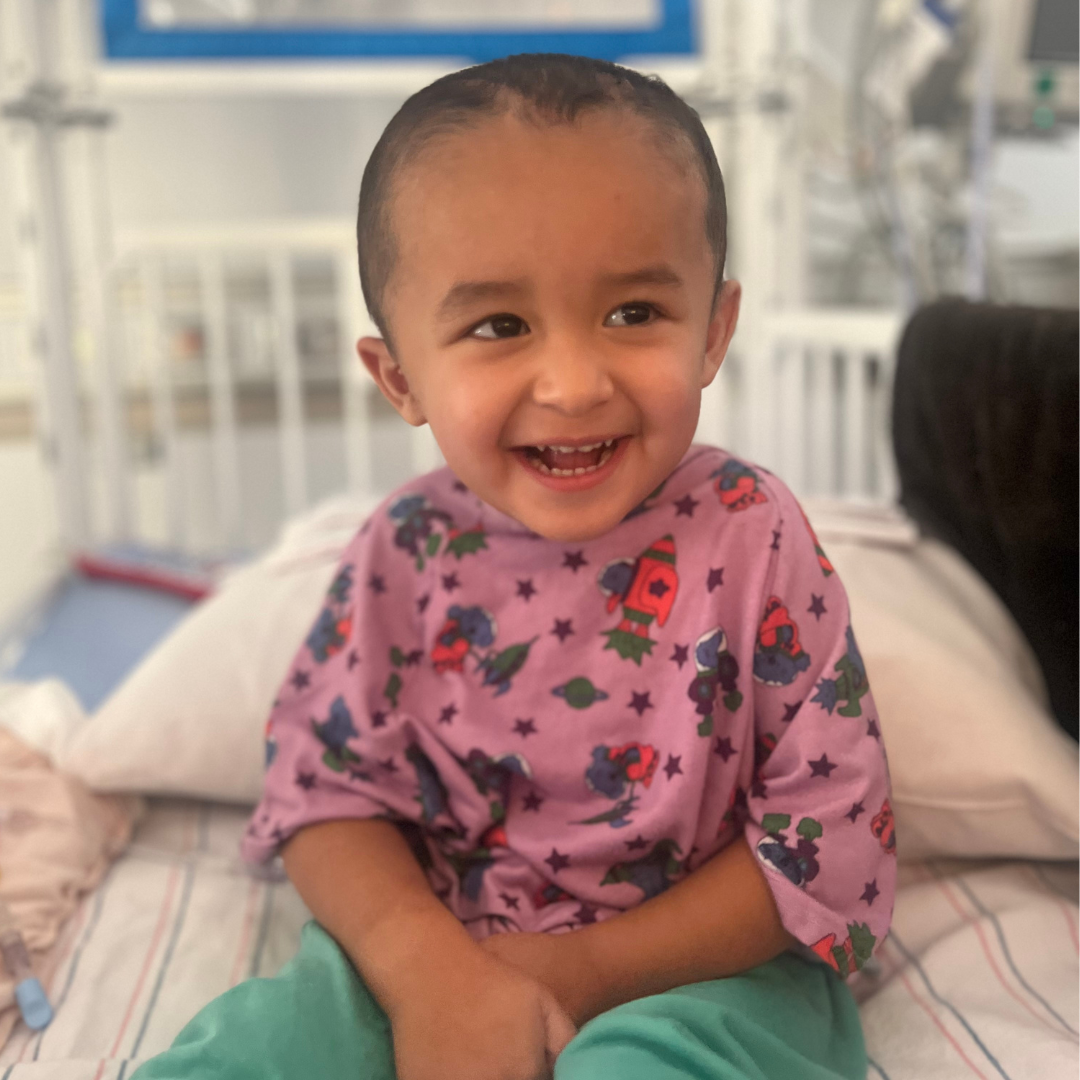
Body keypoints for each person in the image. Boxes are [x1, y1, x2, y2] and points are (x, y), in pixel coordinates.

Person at [134, 53, 894, 1080]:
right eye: (499, 326)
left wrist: (580, 971)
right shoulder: (407, 549)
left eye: (634, 313)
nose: (574, 385)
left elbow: (823, 837)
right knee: (259, 1047)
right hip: (443, 948)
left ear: (714, 331)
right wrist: (426, 974)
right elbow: (324, 793)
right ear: (400, 377)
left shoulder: (753, 536)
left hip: (708, 975)